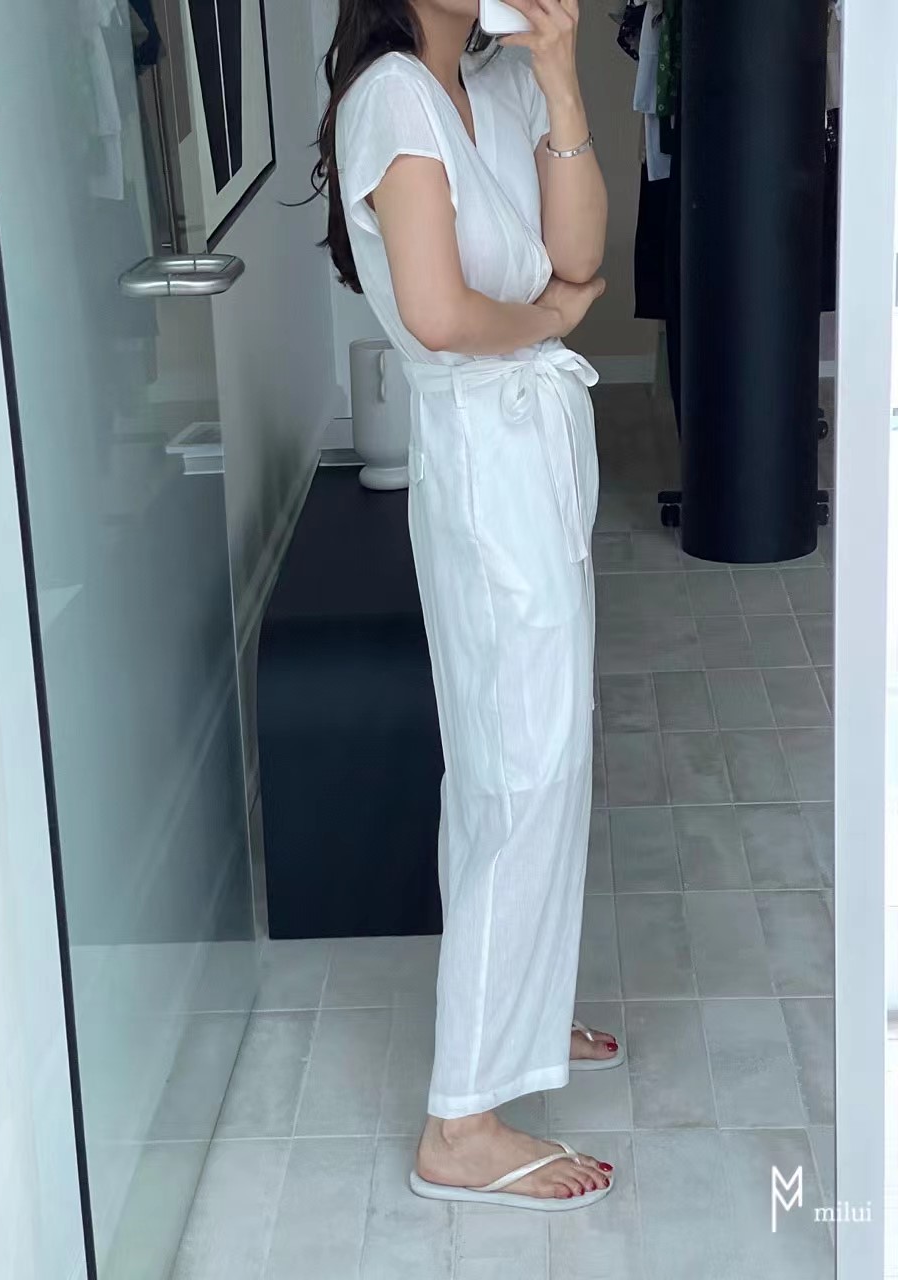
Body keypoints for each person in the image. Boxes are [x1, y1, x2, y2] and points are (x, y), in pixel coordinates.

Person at [314, 0, 619, 1210]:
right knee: (518, 764)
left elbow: (582, 260)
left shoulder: (492, 85)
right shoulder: (391, 96)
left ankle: (521, 1014)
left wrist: (563, 75)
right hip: (487, 462)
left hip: (532, 448)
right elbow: (442, 314)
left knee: (538, 750)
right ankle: (462, 1125)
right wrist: (543, 320)